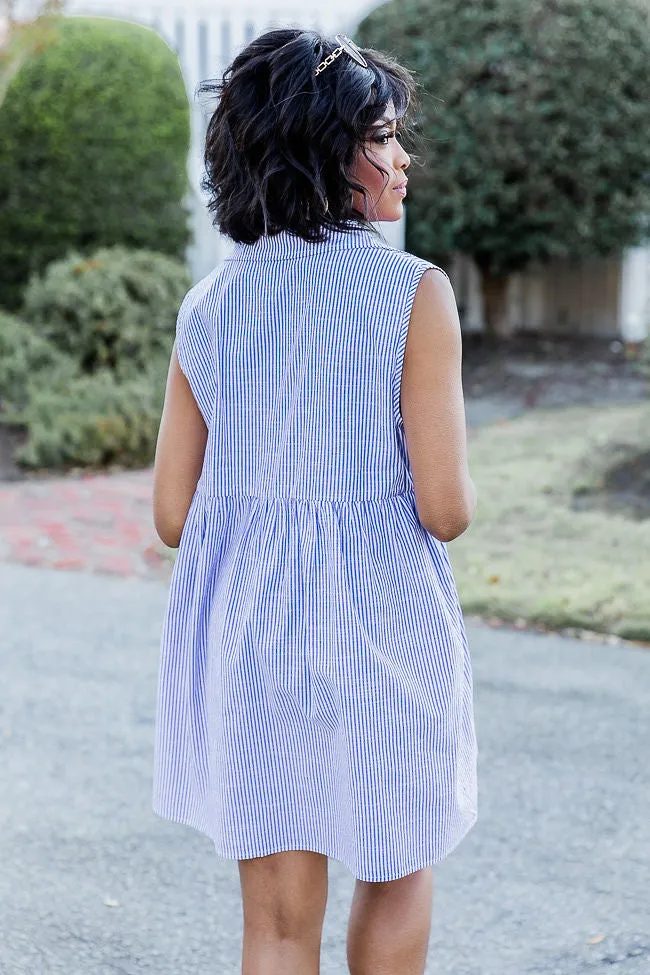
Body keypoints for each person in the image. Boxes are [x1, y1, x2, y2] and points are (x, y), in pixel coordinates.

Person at [151, 26, 478, 975]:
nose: (402, 155)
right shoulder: (413, 293)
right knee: (397, 870)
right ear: (330, 154)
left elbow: (172, 515)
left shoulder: (209, 305)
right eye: (383, 137)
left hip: (254, 636)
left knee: (278, 925)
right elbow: (446, 507)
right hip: (385, 631)